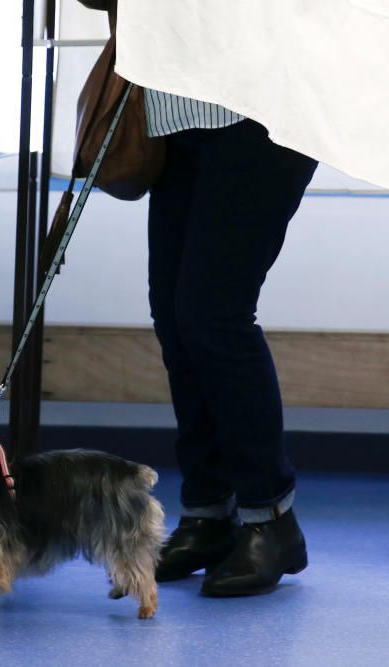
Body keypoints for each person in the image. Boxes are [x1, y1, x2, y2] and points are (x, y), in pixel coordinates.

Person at [78, 0, 318, 596]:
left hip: (264, 108)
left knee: (215, 316)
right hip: (173, 109)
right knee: (176, 317)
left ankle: (272, 520)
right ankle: (209, 512)